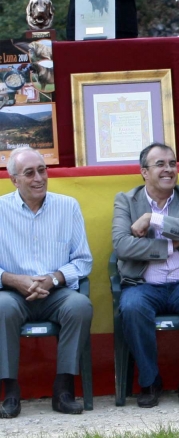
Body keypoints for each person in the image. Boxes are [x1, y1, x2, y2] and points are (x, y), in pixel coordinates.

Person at [112, 142, 179, 408]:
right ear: (144, 172)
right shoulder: (126, 200)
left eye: (172, 164)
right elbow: (123, 246)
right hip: (143, 284)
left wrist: (153, 219)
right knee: (132, 306)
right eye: (160, 164)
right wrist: (173, 242)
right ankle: (149, 381)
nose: (168, 169)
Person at [0, 147, 93, 418]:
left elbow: (83, 260)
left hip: (57, 292)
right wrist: (13, 279)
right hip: (12, 293)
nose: (39, 178)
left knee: (80, 306)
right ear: (14, 179)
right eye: (29, 173)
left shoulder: (68, 206)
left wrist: (53, 278)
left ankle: (63, 389)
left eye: (43, 170)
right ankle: (10, 392)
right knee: (1, 308)